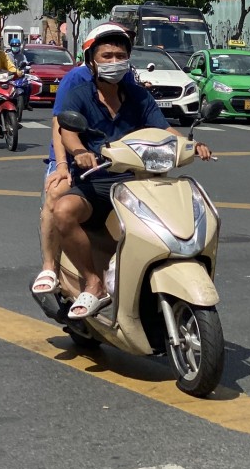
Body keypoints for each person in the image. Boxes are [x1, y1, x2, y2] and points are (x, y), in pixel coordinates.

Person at [34, 22, 212, 318]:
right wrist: (78, 153)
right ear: (92, 61)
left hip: (135, 180)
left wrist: (191, 145)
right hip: (94, 180)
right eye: (107, 56)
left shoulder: (138, 96)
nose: (114, 62)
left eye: (120, 56)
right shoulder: (79, 92)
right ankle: (91, 282)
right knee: (62, 209)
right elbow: (67, 130)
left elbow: (163, 128)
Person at [8, 35, 32, 112]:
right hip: (10, 76)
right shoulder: (7, 55)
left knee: (29, 85)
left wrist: (27, 68)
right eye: (14, 46)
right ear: (11, 47)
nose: (15, 48)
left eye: (17, 46)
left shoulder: (22, 56)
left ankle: (26, 103)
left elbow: (26, 63)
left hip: (20, 75)